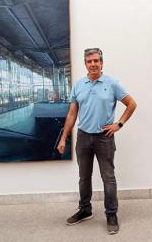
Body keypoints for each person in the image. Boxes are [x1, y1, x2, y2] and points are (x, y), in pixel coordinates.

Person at [57, 47, 137, 235]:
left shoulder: (111, 83)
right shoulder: (78, 85)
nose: (93, 64)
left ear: (101, 63)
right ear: (85, 64)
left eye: (96, 61)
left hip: (104, 138)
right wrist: (63, 138)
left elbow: (131, 104)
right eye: (89, 61)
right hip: (83, 137)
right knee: (84, 177)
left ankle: (111, 214)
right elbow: (72, 114)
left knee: (108, 177)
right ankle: (85, 210)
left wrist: (119, 124)